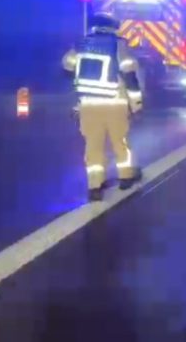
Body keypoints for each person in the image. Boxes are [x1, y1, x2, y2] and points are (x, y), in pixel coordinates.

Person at [61, 12, 145, 201]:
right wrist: (137, 104)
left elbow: (66, 68)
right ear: (113, 27)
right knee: (120, 142)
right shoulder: (118, 45)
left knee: (93, 146)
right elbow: (129, 76)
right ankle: (126, 178)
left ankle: (95, 186)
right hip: (115, 103)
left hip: (88, 104)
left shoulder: (81, 44)